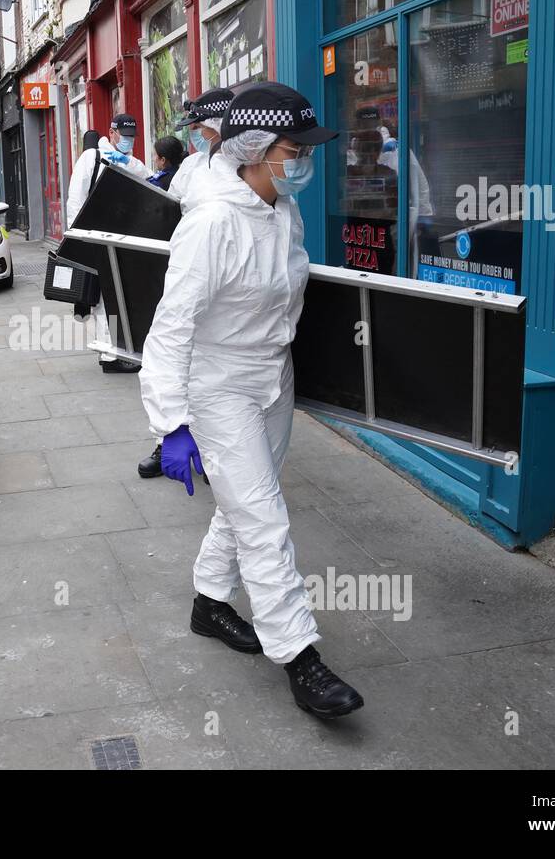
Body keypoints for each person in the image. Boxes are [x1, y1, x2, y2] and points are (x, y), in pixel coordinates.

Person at [140, 82, 364, 719]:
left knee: (247, 500)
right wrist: (172, 425)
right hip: (220, 388)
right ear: (257, 151)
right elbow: (170, 329)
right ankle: (299, 657)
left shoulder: (281, 213)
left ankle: (210, 601)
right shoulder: (211, 225)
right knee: (263, 518)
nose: (304, 163)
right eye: (295, 151)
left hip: (273, 377)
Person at [138, 91, 234, 479]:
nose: (193, 136)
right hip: (188, 273)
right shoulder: (192, 167)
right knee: (179, 358)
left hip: (224, 287)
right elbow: (165, 210)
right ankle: (168, 440)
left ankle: (214, 454)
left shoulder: (247, 170)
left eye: (196, 128)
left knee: (214, 376)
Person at [65, 113, 149, 374]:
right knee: (104, 298)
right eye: (124, 136)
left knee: (118, 295)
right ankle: (109, 356)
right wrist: (77, 237)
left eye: (131, 137)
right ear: (111, 133)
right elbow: (75, 198)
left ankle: (117, 350)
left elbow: (146, 178)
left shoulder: (130, 161)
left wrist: (126, 162)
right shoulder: (91, 158)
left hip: (123, 238)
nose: (128, 141)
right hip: (95, 235)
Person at [167, 88, 234, 207]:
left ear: (217, 125)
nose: (193, 133)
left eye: (196, 127)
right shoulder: (190, 164)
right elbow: (171, 204)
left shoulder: (244, 163)